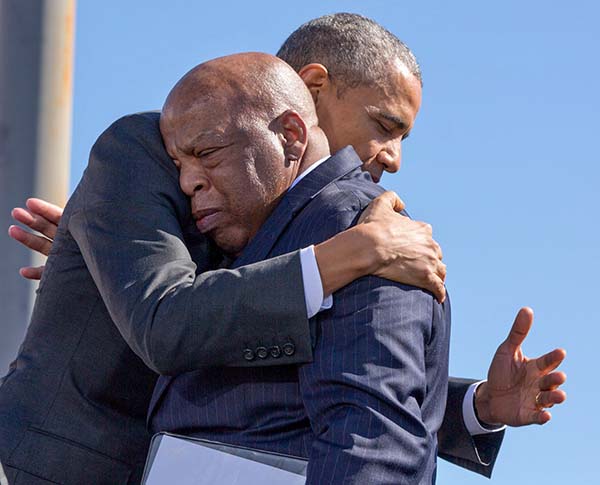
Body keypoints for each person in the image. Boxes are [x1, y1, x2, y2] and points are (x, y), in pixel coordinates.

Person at [4, 12, 566, 483]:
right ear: (311, 93)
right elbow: (167, 318)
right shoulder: (146, 150)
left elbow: (331, 383)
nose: (393, 157)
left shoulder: (319, 216)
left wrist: (474, 407)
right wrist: (349, 254)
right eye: (384, 124)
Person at [151, 51, 451, 484]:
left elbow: (372, 442)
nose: (187, 182)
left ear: (291, 134)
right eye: (180, 164)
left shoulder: (362, 228)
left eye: (208, 152)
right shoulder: (241, 231)